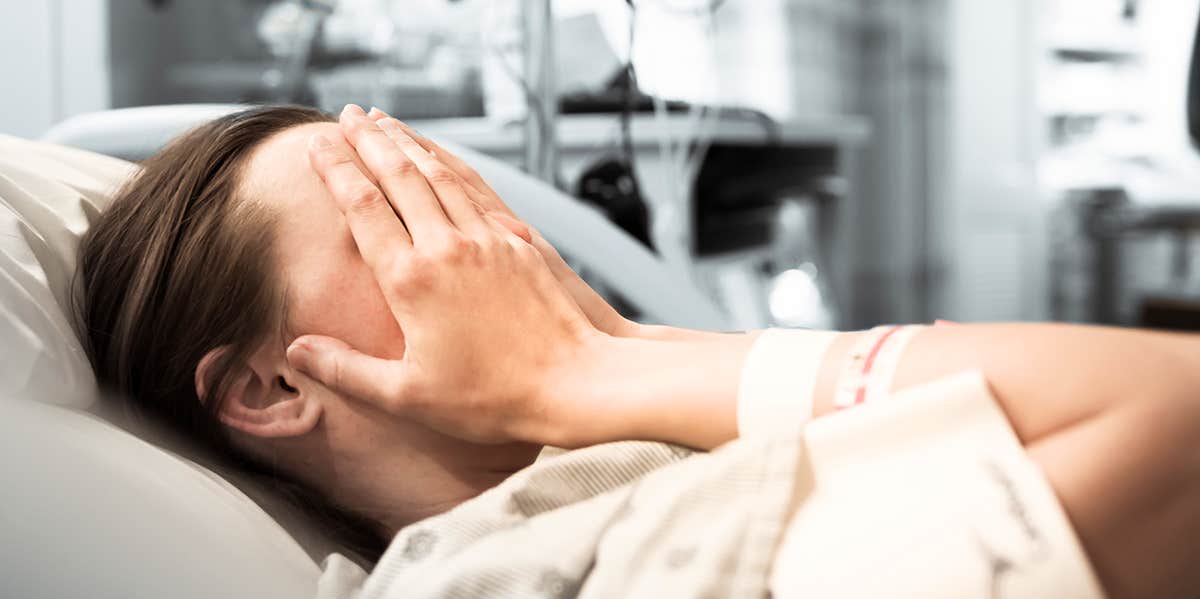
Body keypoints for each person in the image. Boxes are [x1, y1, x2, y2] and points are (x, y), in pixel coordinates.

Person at [77, 104, 1200, 598]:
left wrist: (620, 349)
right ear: (273, 386)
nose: (494, 244)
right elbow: (1176, 425)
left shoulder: (647, 450)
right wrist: (584, 367)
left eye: (456, 190)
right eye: (402, 217)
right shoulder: (520, 568)